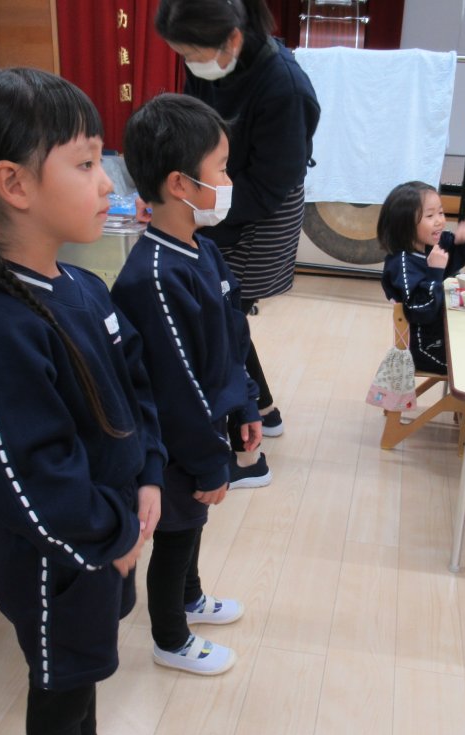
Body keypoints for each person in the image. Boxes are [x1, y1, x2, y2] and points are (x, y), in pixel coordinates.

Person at [0, 68, 166, 735]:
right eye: (86, 164)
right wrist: (113, 537)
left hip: (108, 535)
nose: (107, 186)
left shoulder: (83, 286)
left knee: (86, 673)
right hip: (56, 561)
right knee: (62, 689)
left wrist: (150, 472)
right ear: (14, 184)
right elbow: (29, 479)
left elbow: (136, 388)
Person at [114, 93, 260, 676]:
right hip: (175, 441)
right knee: (175, 533)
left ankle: (192, 598)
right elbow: (175, 387)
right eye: (220, 169)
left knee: (194, 523)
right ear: (180, 183)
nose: (228, 182)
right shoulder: (152, 276)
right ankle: (170, 638)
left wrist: (246, 406)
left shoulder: (203, 251)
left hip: (205, 429)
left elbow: (233, 340)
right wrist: (207, 462)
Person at [154, 0, 321, 485]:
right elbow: (191, 130)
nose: (190, 62)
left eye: (194, 52)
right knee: (226, 318)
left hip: (258, 210)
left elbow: (270, 186)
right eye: (182, 53)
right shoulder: (211, 63)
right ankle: (262, 410)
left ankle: (248, 456)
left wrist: (199, 206)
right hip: (210, 198)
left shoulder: (285, 87)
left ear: (231, 38)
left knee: (223, 318)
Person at [378, 180, 465, 453]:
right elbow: (420, 311)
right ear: (404, 223)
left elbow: (455, 256)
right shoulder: (402, 263)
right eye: (430, 215)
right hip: (425, 349)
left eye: (441, 212)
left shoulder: (428, 244)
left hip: (439, 338)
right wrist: (434, 272)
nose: (440, 221)